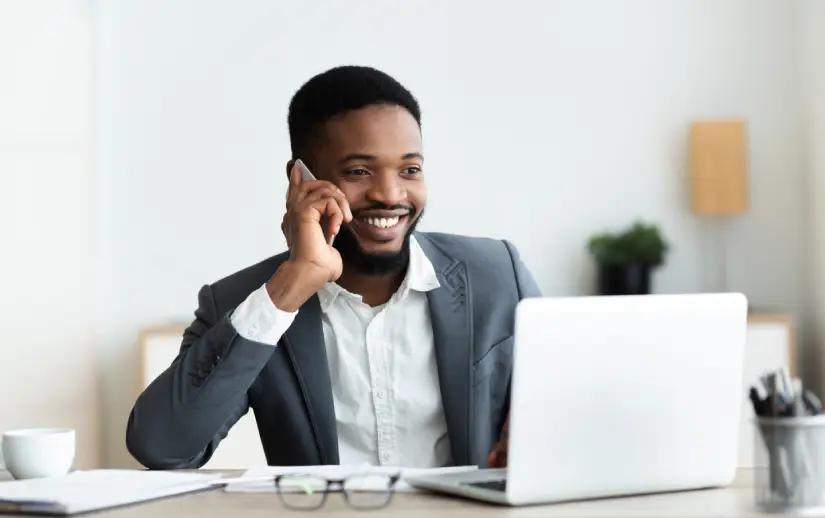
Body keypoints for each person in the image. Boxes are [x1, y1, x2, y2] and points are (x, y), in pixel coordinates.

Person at [126, 65, 541, 470]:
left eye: (410, 169)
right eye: (358, 171)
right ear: (300, 179)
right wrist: (291, 288)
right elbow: (163, 447)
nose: (390, 194)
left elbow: (573, 408)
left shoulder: (497, 275)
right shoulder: (247, 305)